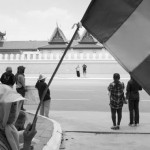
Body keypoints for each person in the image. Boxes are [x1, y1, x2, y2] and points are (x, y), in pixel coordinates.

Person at [0, 84, 37, 150]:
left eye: (15, 104)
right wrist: (27, 142)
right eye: (9, 106)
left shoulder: (8, 128)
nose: (14, 109)